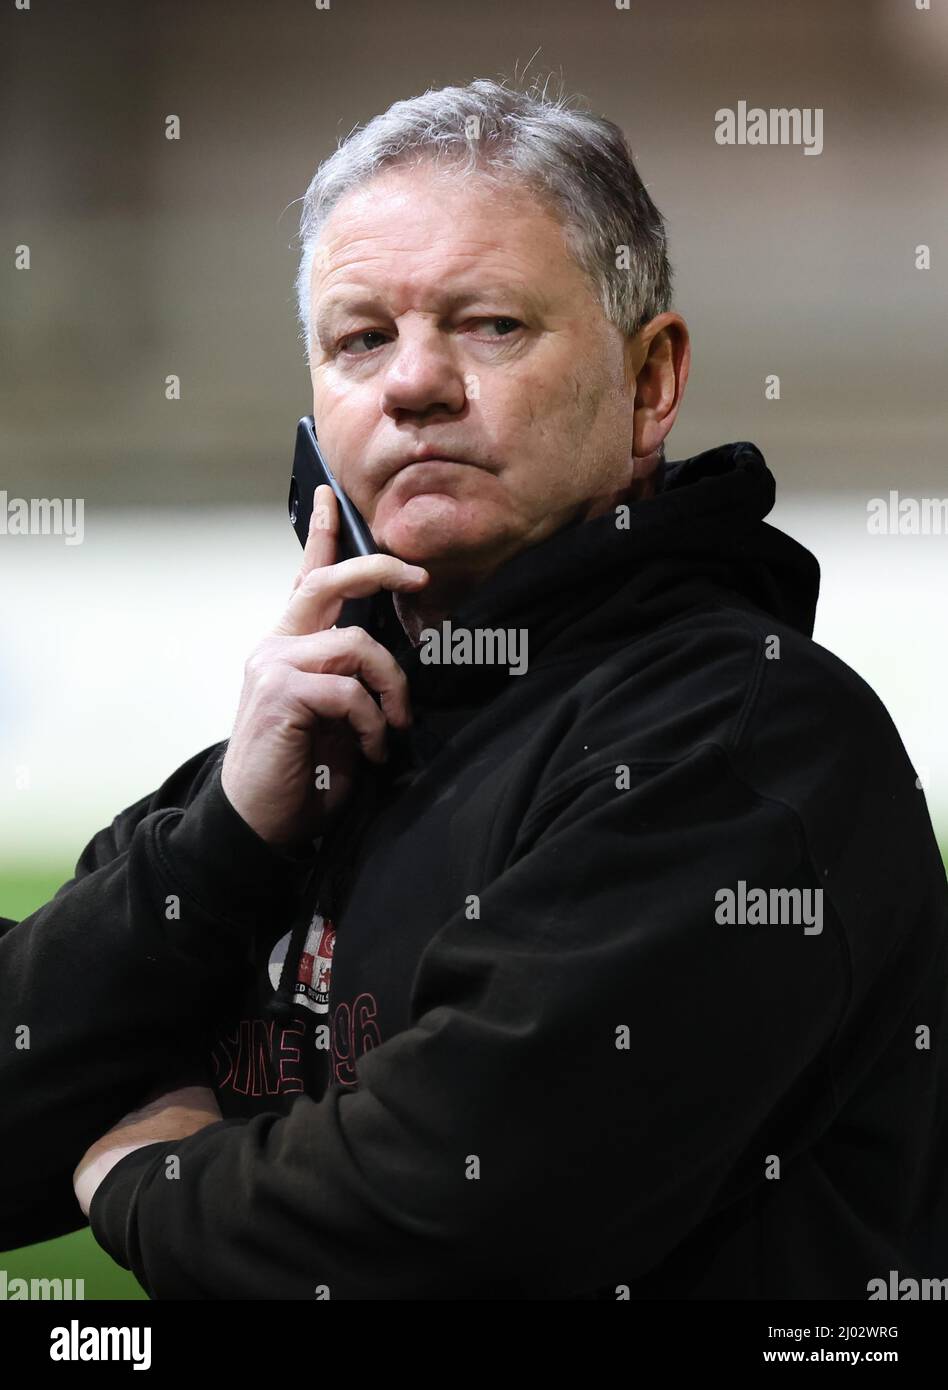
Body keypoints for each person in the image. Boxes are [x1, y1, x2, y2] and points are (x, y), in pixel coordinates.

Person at [3, 78, 946, 1300]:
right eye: (359, 339)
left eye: (491, 324)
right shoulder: (307, 749)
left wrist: (147, 1181)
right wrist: (221, 846)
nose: (413, 383)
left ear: (652, 381)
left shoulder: (745, 741)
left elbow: (452, 1217)